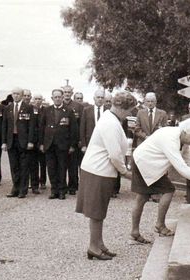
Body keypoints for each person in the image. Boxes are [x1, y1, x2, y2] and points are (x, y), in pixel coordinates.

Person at [75, 90, 136, 260]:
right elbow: (115, 153)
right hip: (97, 170)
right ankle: (93, 247)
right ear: (122, 108)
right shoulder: (110, 122)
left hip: (102, 171)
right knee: (96, 211)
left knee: (100, 210)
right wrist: (125, 172)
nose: (130, 113)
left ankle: (99, 244)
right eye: (130, 110)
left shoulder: (111, 119)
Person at [130, 118, 190, 242]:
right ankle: (159, 225)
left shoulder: (183, 140)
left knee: (142, 197)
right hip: (143, 163)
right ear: (185, 133)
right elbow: (180, 166)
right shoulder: (170, 138)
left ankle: (135, 231)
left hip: (149, 164)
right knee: (167, 190)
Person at [39, 89, 78, 200]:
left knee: (62, 168)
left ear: (62, 98)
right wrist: (41, 143)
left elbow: (73, 129)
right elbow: (41, 128)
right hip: (49, 144)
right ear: (52, 98)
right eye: (55, 97)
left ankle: (62, 191)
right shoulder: (47, 110)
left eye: (59, 97)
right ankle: (54, 190)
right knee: (51, 168)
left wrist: (72, 145)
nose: (57, 99)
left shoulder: (69, 111)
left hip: (63, 145)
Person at [2, 87, 35, 199]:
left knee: (24, 166)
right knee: (14, 166)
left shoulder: (29, 107)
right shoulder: (8, 108)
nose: (15, 96)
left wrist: (30, 141)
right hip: (11, 140)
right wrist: (4, 142)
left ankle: (23, 190)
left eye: (18, 94)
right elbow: (4, 126)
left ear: (22, 95)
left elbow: (31, 126)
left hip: (24, 141)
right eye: (14, 93)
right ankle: (15, 188)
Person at [62, 84, 83, 195]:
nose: (67, 94)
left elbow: (81, 125)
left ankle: (73, 186)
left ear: (72, 93)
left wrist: (79, 140)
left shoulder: (78, 106)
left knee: (73, 165)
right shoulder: (59, 104)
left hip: (74, 139)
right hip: (61, 140)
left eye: (69, 92)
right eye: (65, 92)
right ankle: (63, 185)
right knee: (62, 164)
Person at [22, 89, 40, 194]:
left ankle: (34, 185)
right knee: (23, 165)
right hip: (21, 140)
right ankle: (23, 184)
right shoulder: (19, 108)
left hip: (33, 140)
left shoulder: (34, 109)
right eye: (25, 95)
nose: (27, 97)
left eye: (29, 96)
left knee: (33, 164)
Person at [80, 89, 106, 153]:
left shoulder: (108, 111)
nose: (100, 99)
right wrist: (83, 145)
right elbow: (82, 128)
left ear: (104, 99)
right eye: (98, 97)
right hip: (90, 142)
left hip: (104, 143)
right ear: (94, 98)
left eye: (102, 97)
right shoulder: (87, 110)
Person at [32, 93, 47, 190]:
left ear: (42, 100)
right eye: (36, 99)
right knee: (33, 163)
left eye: (39, 99)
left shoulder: (46, 110)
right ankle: (34, 182)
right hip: (33, 140)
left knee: (43, 163)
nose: (37, 101)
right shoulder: (31, 109)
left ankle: (43, 181)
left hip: (42, 140)